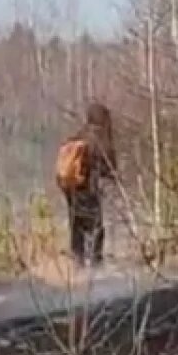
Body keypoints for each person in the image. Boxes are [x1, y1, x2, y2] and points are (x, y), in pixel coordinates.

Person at [55, 101, 117, 267]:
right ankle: (96, 264)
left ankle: (78, 262)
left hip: (71, 188)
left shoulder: (77, 136)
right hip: (88, 188)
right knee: (96, 226)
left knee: (76, 225)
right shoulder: (99, 139)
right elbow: (109, 168)